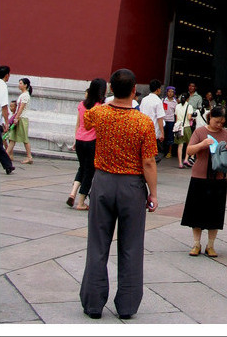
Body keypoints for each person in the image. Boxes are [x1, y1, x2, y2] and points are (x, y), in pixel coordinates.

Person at [79, 68, 158, 320]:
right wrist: (153, 192)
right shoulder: (143, 121)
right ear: (135, 90)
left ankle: (93, 303)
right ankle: (127, 306)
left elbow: (86, 118)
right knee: (131, 246)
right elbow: (148, 162)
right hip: (132, 186)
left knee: (97, 244)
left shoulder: (99, 113)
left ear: (111, 88)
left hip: (102, 182)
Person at [181, 105, 227, 257]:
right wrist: (202, 144)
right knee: (196, 212)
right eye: (217, 121)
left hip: (219, 177)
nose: (219, 125)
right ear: (210, 117)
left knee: (215, 212)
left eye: (222, 122)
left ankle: (211, 245)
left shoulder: (226, 134)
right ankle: (196, 244)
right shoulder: (200, 131)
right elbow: (189, 150)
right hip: (200, 175)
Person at [67, 78, 107, 210]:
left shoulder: (82, 104)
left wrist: (75, 140)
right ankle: (81, 202)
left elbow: (78, 124)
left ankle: (72, 193)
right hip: (92, 142)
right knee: (89, 171)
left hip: (80, 140)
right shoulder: (100, 107)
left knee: (81, 167)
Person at [6, 77, 34, 164]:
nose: (19, 85)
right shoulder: (23, 95)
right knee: (12, 138)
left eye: (21, 83)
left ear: (25, 85)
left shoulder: (25, 95)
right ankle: (5, 155)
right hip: (19, 118)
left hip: (22, 118)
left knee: (24, 138)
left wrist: (16, 118)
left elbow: (21, 108)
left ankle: (29, 157)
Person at [139, 79, 165, 159]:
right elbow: (160, 118)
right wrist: (162, 132)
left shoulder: (144, 99)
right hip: (153, 130)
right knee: (154, 154)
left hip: (142, 128)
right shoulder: (158, 101)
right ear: (158, 89)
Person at [0, 66, 15, 174]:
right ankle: (8, 165)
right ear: (6, 75)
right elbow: (4, 106)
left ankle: (8, 165)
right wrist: (6, 122)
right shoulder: (2, 86)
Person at [174, 93, 194, 168]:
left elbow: (176, 118)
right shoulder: (189, 106)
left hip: (178, 127)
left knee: (180, 145)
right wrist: (192, 118)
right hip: (186, 127)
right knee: (189, 144)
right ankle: (186, 159)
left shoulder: (177, 106)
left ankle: (180, 163)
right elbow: (189, 118)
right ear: (188, 99)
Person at [162, 86, 177, 157]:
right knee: (163, 135)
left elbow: (176, 113)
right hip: (164, 120)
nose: (170, 93)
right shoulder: (163, 100)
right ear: (166, 92)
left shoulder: (175, 102)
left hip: (171, 121)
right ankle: (162, 151)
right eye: (169, 91)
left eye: (172, 92)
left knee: (170, 137)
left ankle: (169, 152)